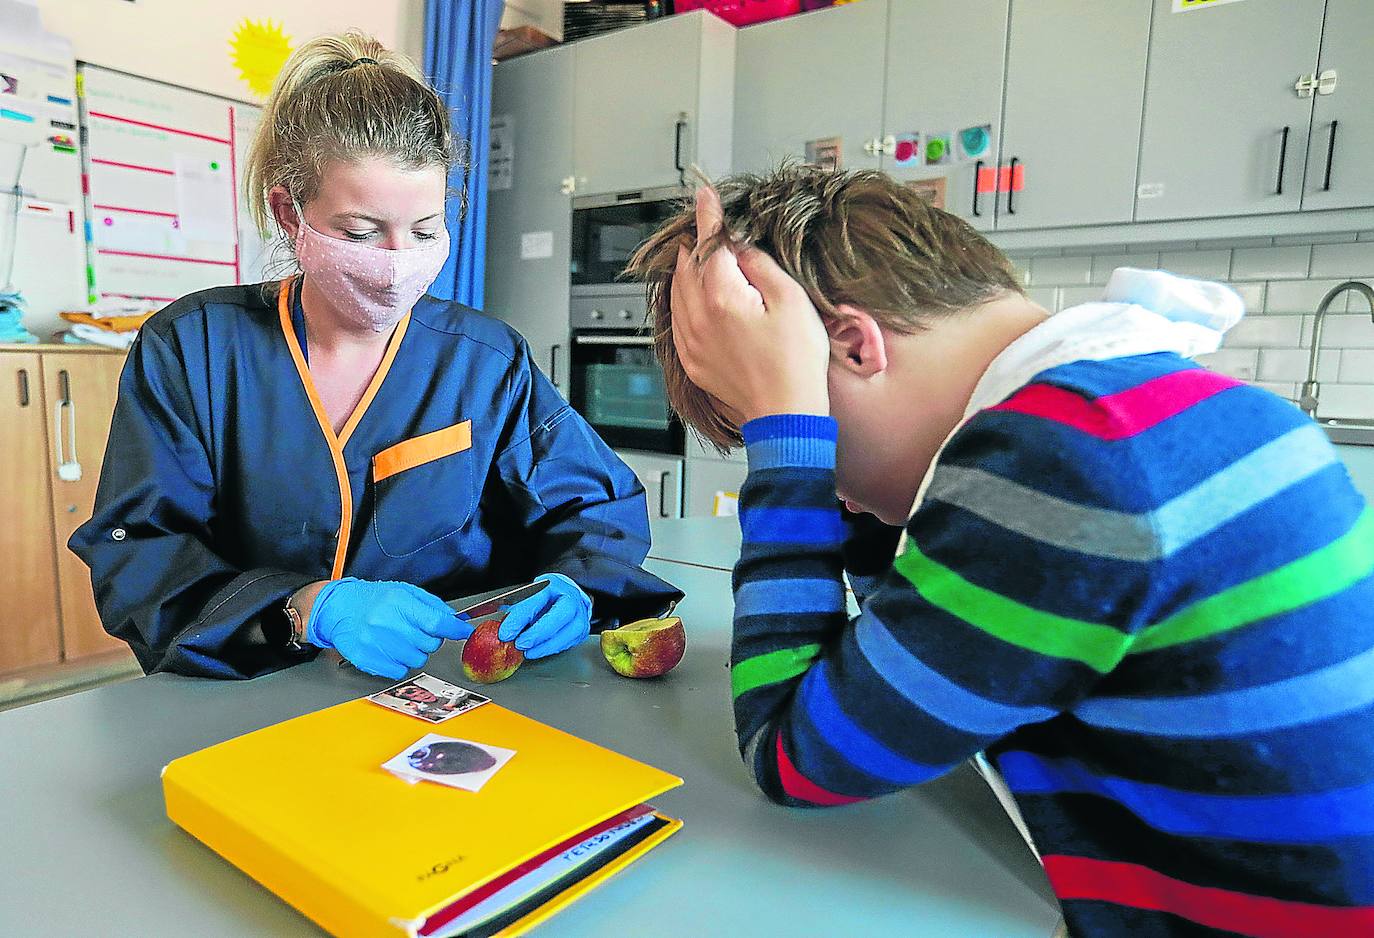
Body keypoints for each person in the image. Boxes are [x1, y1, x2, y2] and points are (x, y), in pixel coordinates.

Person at [627, 165, 1374, 936]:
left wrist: (788, 436)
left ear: (853, 346)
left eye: (764, 417)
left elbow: (797, 754)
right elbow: (924, 667)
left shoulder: (1071, 454)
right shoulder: (1138, 406)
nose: (838, 496)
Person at [71, 32, 679, 681]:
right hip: (255, 685)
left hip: (445, 687)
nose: (397, 264)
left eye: (424, 231)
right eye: (360, 232)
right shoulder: (195, 348)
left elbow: (594, 508)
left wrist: (581, 586)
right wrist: (308, 607)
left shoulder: (485, 361)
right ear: (288, 212)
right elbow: (138, 551)